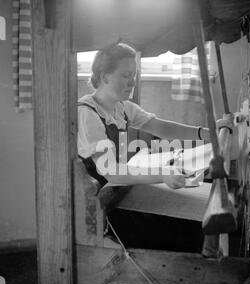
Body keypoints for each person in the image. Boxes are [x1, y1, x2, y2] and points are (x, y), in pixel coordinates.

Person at [78, 43, 233, 254]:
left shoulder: (122, 107)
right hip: (100, 203)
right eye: (126, 75)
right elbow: (111, 172)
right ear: (105, 77)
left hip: (120, 189)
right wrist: (162, 173)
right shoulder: (87, 113)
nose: (132, 82)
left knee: (184, 225)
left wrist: (209, 132)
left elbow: (162, 127)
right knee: (178, 229)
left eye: (134, 75)